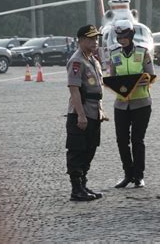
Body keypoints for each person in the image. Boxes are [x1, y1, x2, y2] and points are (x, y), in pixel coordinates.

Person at [109, 20, 155, 188]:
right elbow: (112, 76)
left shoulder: (143, 52)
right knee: (121, 140)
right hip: (121, 104)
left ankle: (139, 176)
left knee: (137, 139)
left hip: (141, 103)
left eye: (125, 37)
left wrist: (135, 82)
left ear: (131, 36)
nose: (122, 40)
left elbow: (150, 75)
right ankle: (127, 174)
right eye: (119, 37)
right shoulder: (114, 53)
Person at [66, 24, 107, 201]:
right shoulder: (77, 61)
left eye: (96, 39)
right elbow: (74, 90)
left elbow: (97, 90)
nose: (94, 42)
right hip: (81, 112)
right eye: (90, 39)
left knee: (90, 148)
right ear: (81, 40)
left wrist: (101, 111)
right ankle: (76, 189)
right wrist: (81, 116)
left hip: (94, 111)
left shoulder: (92, 60)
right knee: (77, 151)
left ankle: (83, 184)